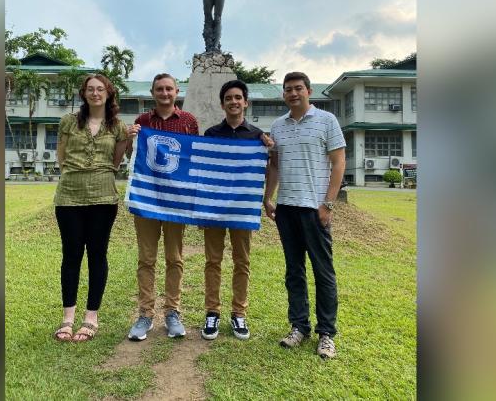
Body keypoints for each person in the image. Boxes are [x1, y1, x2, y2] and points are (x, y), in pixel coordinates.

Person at [263, 72, 346, 359]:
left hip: (315, 209)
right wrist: (268, 197)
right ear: (284, 95)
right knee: (294, 272)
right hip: (286, 209)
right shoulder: (278, 126)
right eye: (288, 90)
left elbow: (338, 163)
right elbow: (274, 166)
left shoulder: (327, 121)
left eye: (298, 88)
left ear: (309, 91)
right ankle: (299, 327)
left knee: (323, 272)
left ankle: (326, 334)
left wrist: (328, 204)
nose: (293, 93)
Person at [52, 74, 134, 342]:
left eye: (100, 89)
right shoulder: (68, 122)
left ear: (109, 94)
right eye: (90, 89)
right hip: (69, 196)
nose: (95, 93)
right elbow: (61, 155)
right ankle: (67, 318)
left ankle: (91, 317)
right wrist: (74, 174)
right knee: (71, 255)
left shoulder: (119, 128)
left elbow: (116, 160)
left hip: (103, 197)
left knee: (97, 255)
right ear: (84, 93)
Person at [127, 73, 199, 341]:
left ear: (177, 91)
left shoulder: (189, 122)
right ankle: (145, 314)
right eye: (160, 89)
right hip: (147, 200)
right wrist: (130, 138)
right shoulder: (142, 121)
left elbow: (194, 160)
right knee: (146, 258)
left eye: (169, 88)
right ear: (153, 91)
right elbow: (132, 158)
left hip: (175, 202)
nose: (165, 93)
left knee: (174, 258)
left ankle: (172, 311)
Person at [199, 79, 273, 340]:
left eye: (238, 97)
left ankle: (239, 314)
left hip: (242, 209)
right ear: (222, 104)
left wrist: (269, 149)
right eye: (228, 97)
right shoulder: (211, 135)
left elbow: (267, 169)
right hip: (215, 209)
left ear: (245, 102)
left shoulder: (257, 136)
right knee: (213, 262)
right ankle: (212, 312)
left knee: (242, 262)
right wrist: (203, 210)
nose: (233, 101)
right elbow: (205, 175)